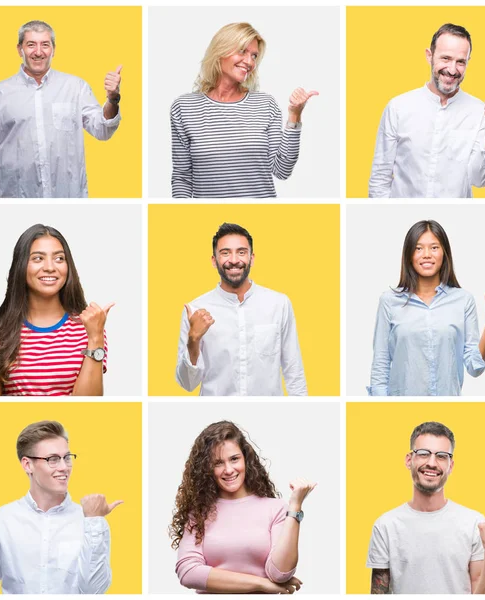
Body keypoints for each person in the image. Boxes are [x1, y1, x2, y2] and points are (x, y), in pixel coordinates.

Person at [0, 20, 122, 198]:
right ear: (20, 49)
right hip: (15, 199)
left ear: (53, 50)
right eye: (31, 45)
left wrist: (112, 99)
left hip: (68, 197)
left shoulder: (75, 88)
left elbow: (102, 129)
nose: (38, 52)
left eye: (45, 45)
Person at [0, 420, 123, 593]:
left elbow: (94, 591)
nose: (64, 467)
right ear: (28, 465)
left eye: (67, 458)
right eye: (53, 459)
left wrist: (95, 522)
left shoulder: (90, 521)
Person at [368, 220, 485, 396]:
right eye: (418, 248)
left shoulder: (463, 300)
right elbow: (380, 365)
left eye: (434, 248)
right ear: (408, 255)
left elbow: (475, 366)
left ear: (444, 254)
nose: (426, 254)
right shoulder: (390, 301)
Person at [367, 421, 485, 594]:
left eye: (441, 456)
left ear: (450, 465)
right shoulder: (386, 525)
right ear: (409, 460)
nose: (432, 463)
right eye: (423, 453)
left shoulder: (474, 523)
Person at [170, 22, 318, 198]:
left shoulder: (265, 104)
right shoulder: (184, 107)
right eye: (242, 51)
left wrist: (295, 115)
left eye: (254, 56)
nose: (249, 62)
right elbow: (182, 177)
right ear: (220, 50)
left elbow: (282, 170)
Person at [368, 23, 485, 198]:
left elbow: (479, 179)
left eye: (460, 62)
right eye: (445, 58)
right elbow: (380, 178)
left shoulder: (481, 112)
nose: (452, 70)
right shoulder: (398, 107)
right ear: (429, 56)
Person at [170, 421, 315, 593]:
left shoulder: (275, 509)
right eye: (218, 463)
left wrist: (295, 507)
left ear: (246, 459)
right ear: (207, 468)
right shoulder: (199, 514)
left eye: (234, 459)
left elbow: (280, 573)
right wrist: (261, 583)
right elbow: (188, 573)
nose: (229, 470)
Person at [0, 224, 113, 396]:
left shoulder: (89, 328)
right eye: (38, 258)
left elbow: (88, 405)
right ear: (21, 265)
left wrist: (95, 337)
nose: (50, 267)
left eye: (59, 258)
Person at [176, 222, 307, 396]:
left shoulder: (278, 304)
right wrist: (193, 339)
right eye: (225, 253)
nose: (234, 260)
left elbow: (294, 371)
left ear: (251, 258)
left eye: (241, 252)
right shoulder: (196, 310)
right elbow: (188, 384)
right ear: (214, 261)